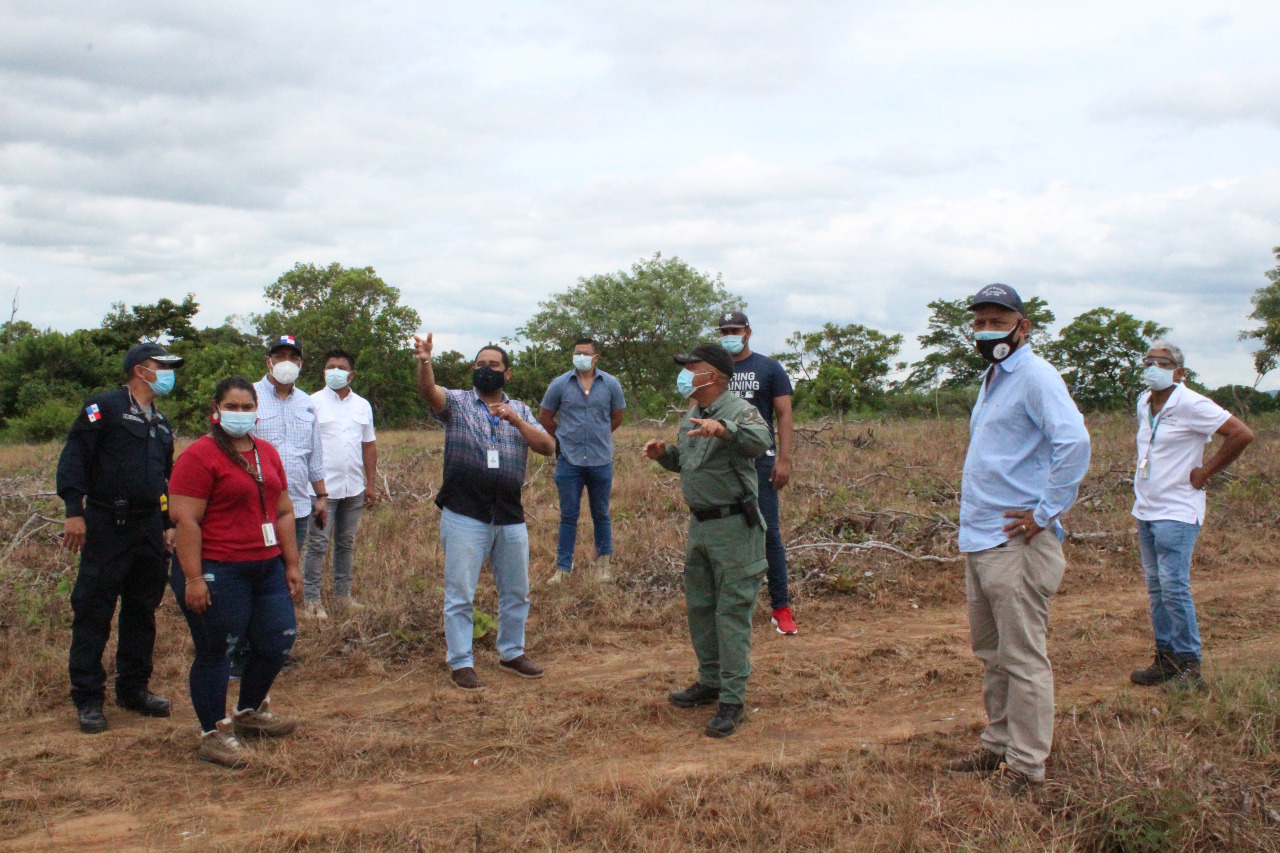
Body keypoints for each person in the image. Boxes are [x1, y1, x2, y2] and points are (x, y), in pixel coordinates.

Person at [943, 284, 1091, 796]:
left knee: (1023, 657)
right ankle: (998, 744)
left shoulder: (1034, 375)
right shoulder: (994, 378)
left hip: (1017, 542)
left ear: (1022, 327)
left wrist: (1046, 512)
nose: (986, 331)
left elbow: (1074, 441)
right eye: (979, 322)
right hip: (982, 537)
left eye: (997, 322)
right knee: (992, 652)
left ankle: (1027, 767)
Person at [168, 377, 303, 767]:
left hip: (266, 567)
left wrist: (291, 563)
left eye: (247, 407)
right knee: (217, 651)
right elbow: (186, 521)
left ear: (257, 410)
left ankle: (250, 712)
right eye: (232, 407)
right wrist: (194, 578)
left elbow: (283, 511)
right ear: (216, 408)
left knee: (277, 640)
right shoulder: (199, 456)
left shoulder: (266, 453)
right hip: (217, 568)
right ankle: (213, 733)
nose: (240, 414)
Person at [643, 342, 772, 738]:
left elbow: (760, 440)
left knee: (731, 614)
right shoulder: (692, 414)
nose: (685, 374)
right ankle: (710, 680)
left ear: (712, 374)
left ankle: (732, 699)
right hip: (700, 527)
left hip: (734, 528)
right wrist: (665, 454)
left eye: (691, 367)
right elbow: (691, 461)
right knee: (701, 608)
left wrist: (727, 430)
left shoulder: (739, 410)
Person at [414, 333, 556, 690]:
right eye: (480, 364)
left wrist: (516, 421)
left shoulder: (521, 409)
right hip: (464, 512)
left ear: (507, 373)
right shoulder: (458, 403)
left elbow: (547, 446)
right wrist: (425, 362)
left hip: (508, 513)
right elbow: (429, 392)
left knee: (517, 591)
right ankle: (461, 661)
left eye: (494, 365)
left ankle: (512, 652)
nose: (486, 370)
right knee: (460, 593)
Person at [56, 342, 183, 734]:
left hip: (148, 529)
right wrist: (74, 510)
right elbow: (75, 457)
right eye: (163, 366)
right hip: (107, 523)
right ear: (140, 370)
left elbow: (164, 479)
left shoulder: (161, 424)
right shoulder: (104, 408)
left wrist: (168, 522)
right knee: (94, 611)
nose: (168, 374)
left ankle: (133, 689)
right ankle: (88, 698)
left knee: (142, 611)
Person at [1128, 340, 1254, 691]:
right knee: (1157, 589)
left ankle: (1189, 665)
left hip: (1178, 510)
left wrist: (1206, 472)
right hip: (1147, 507)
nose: (1153, 367)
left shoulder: (1191, 403)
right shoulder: (1144, 402)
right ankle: (1166, 658)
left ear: (1179, 372)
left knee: (1174, 587)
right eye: (1149, 361)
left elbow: (1241, 434)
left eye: (1163, 363)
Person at [231, 335, 326, 676]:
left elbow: (314, 454)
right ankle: (240, 652)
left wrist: (321, 496)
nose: (287, 362)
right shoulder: (248, 398)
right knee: (249, 578)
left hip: (296, 507)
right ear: (268, 361)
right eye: (280, 355)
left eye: (293, 357)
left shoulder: (307, 403)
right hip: (255, 507)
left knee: (283, 578)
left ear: (301, 363)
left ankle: (272, 649)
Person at [717, 310, 798, 635]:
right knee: (726, 534)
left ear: (748, 332)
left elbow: (784, 414)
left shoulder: (769, 367)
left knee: (769, 534)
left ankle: (781, 608)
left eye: (734, 330)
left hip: (761, 463)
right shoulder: (715, 370)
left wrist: (784, 459)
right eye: (724, 331)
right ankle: (730, 606)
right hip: (723, 465)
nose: (729, 336)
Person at [537, 338, 626, 584]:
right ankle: (563, 568)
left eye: (586, 353)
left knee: (601, 513)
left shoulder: (611, 384)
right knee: (568, 515)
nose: (581, 357)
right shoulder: (559, 384)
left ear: (596, 357)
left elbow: (617, 416)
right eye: (577, 353)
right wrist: (563, 437)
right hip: (569, 460)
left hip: (600, 460)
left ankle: (604, 566)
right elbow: (545, 416)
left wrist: (598, 435)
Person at [303, 348, 380, 617]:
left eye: (341, 367)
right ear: (324, 372)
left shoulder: (362, 405)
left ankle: (342, 595)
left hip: (354, 487)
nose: (335, 371)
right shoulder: (311, 403)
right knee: (317, 544)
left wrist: (371, 484)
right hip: (322, 490)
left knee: (346, 543)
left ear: (351, 374)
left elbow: (368, 446)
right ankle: (312, 600)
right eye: (330, 367)